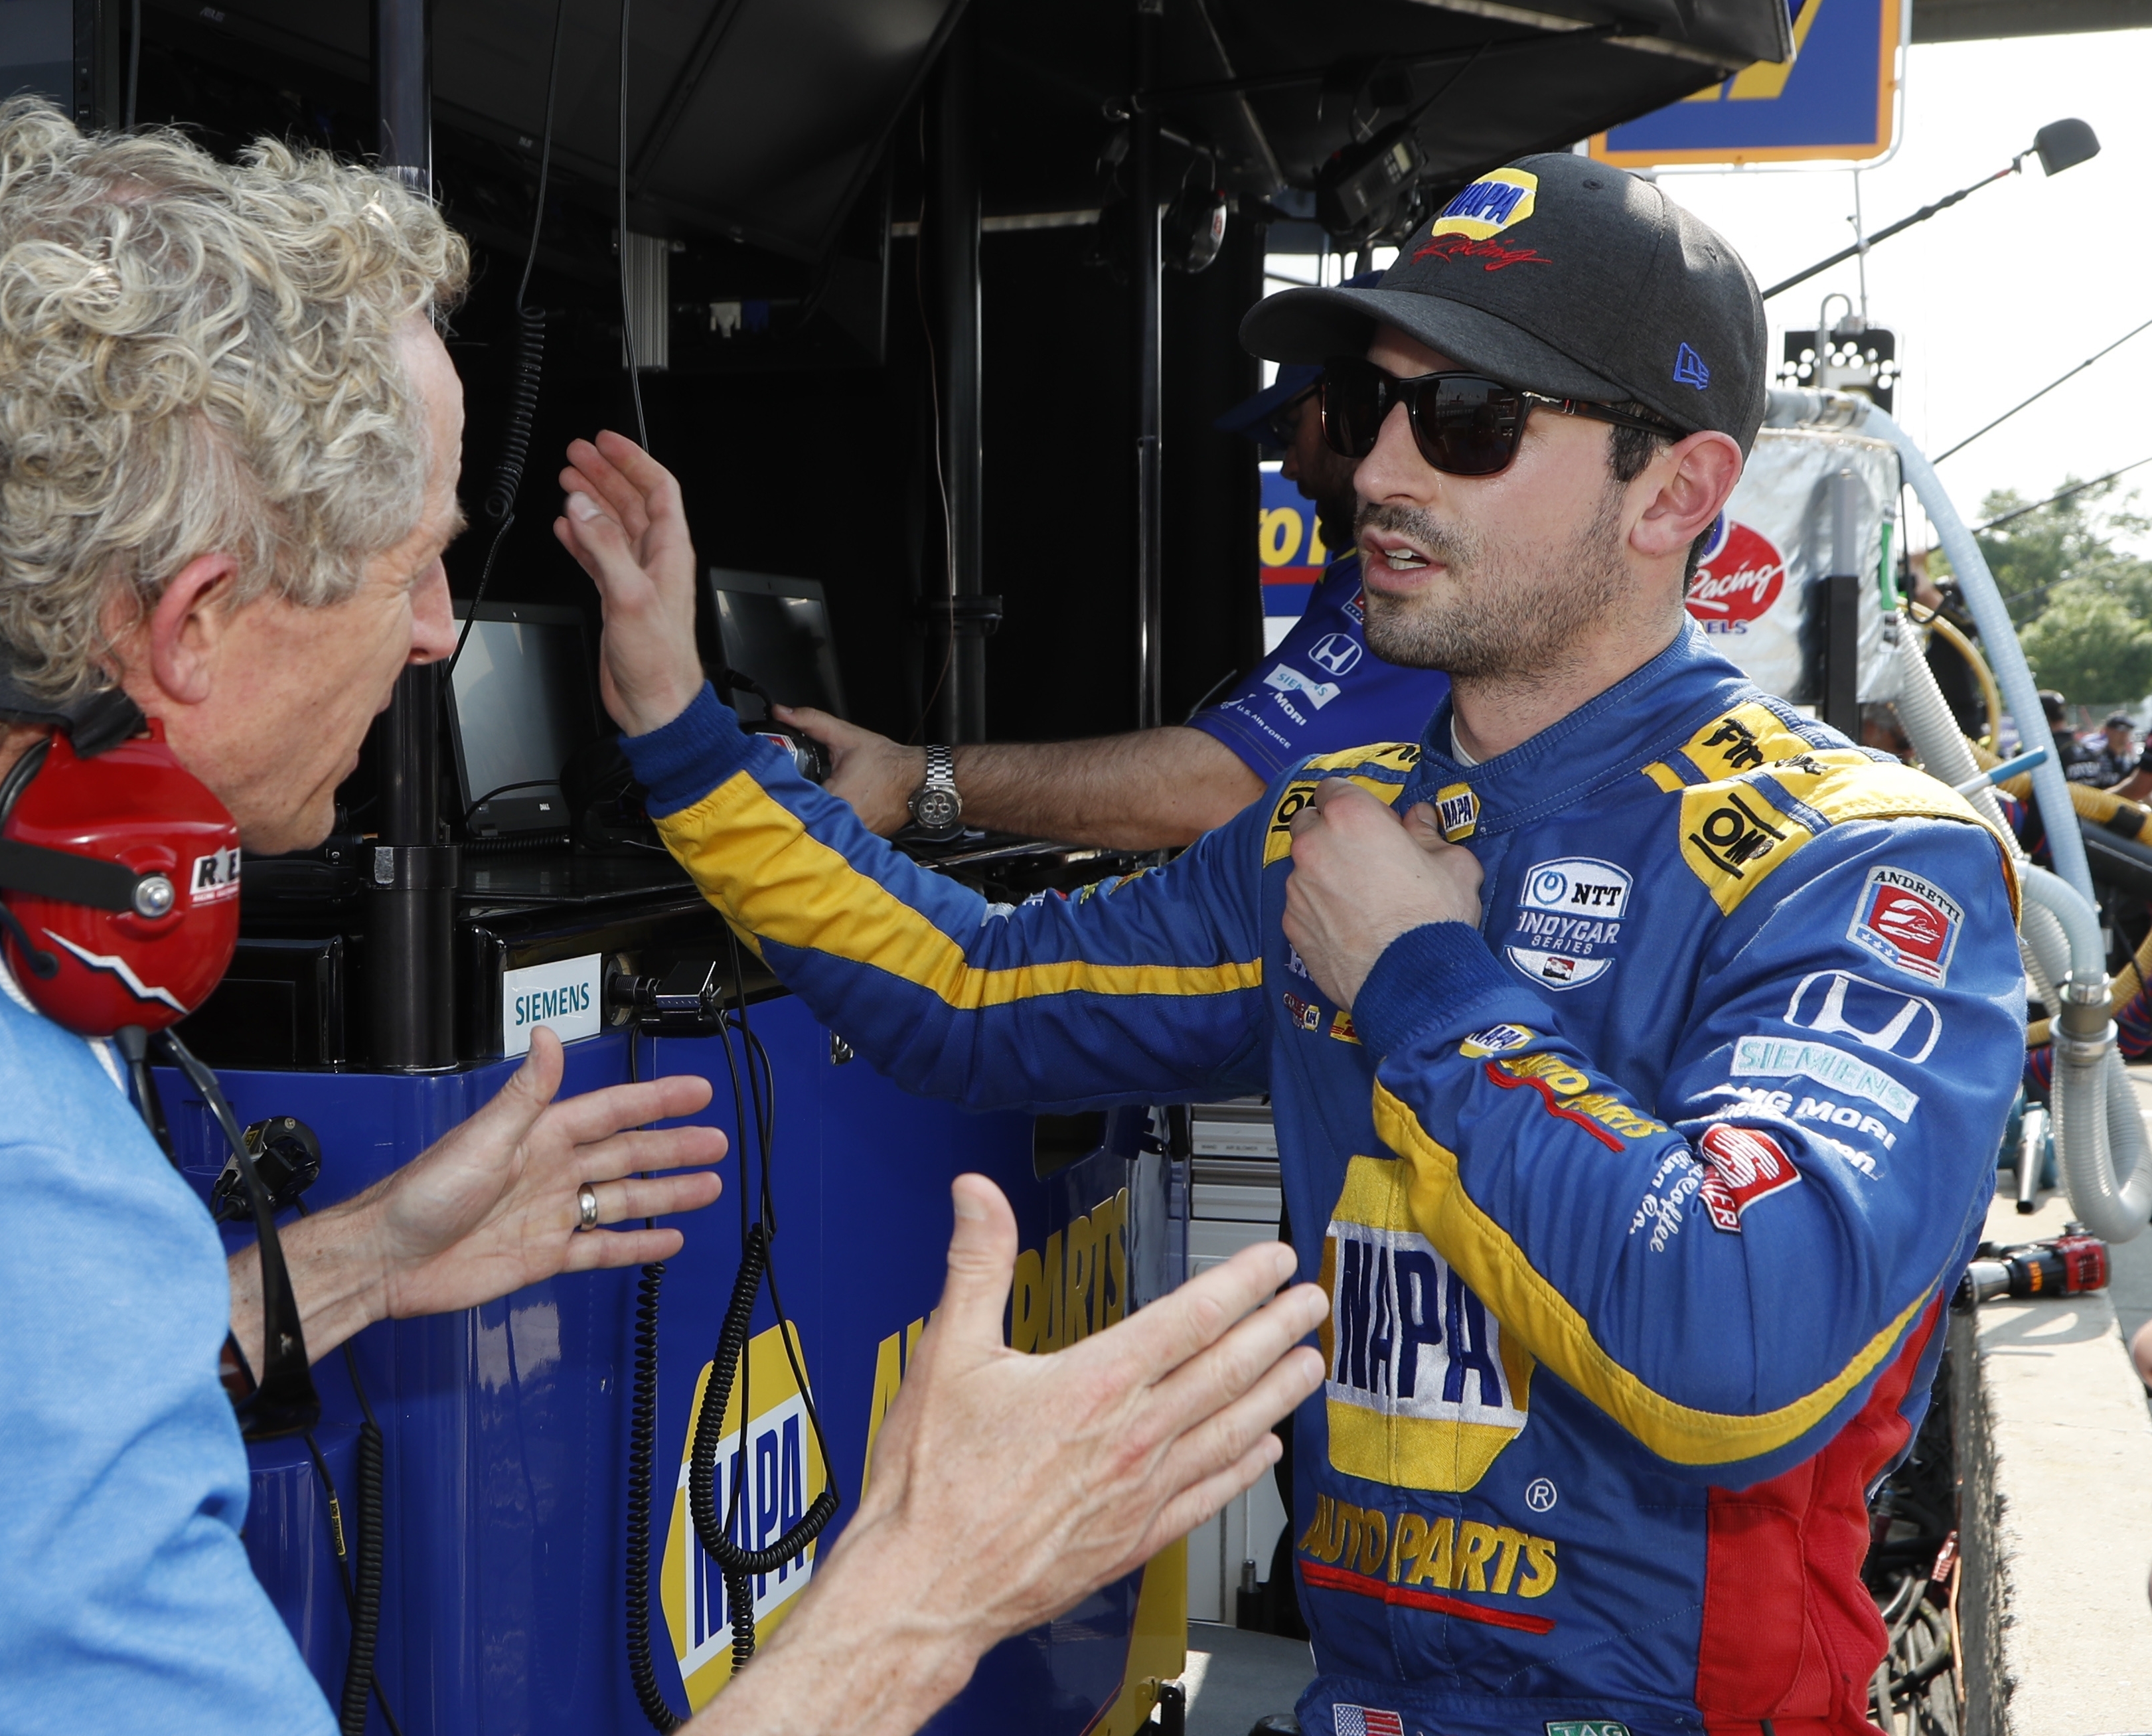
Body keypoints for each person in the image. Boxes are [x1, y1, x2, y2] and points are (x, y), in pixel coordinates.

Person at [0, 104, 1334, 1735]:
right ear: (194, 626)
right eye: (415, 569)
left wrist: (364, 1260)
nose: (427, 639)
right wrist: (926, 1596)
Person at [562, 153, 2025, 1735]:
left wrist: (1418, 982)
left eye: (1466, 419)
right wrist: (680, 731)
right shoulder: (1327, 833)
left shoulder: (1862, 865)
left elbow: (1742, 1347)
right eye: (1365, 401)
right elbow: (972, 995)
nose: (1380, 471)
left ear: (1673, 492)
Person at [783, 283, 1447, 852]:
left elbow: (1215, 786)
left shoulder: (1414, 592)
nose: (1291, 464)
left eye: (1296, 425)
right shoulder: (1368, 578)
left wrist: (919, 779)